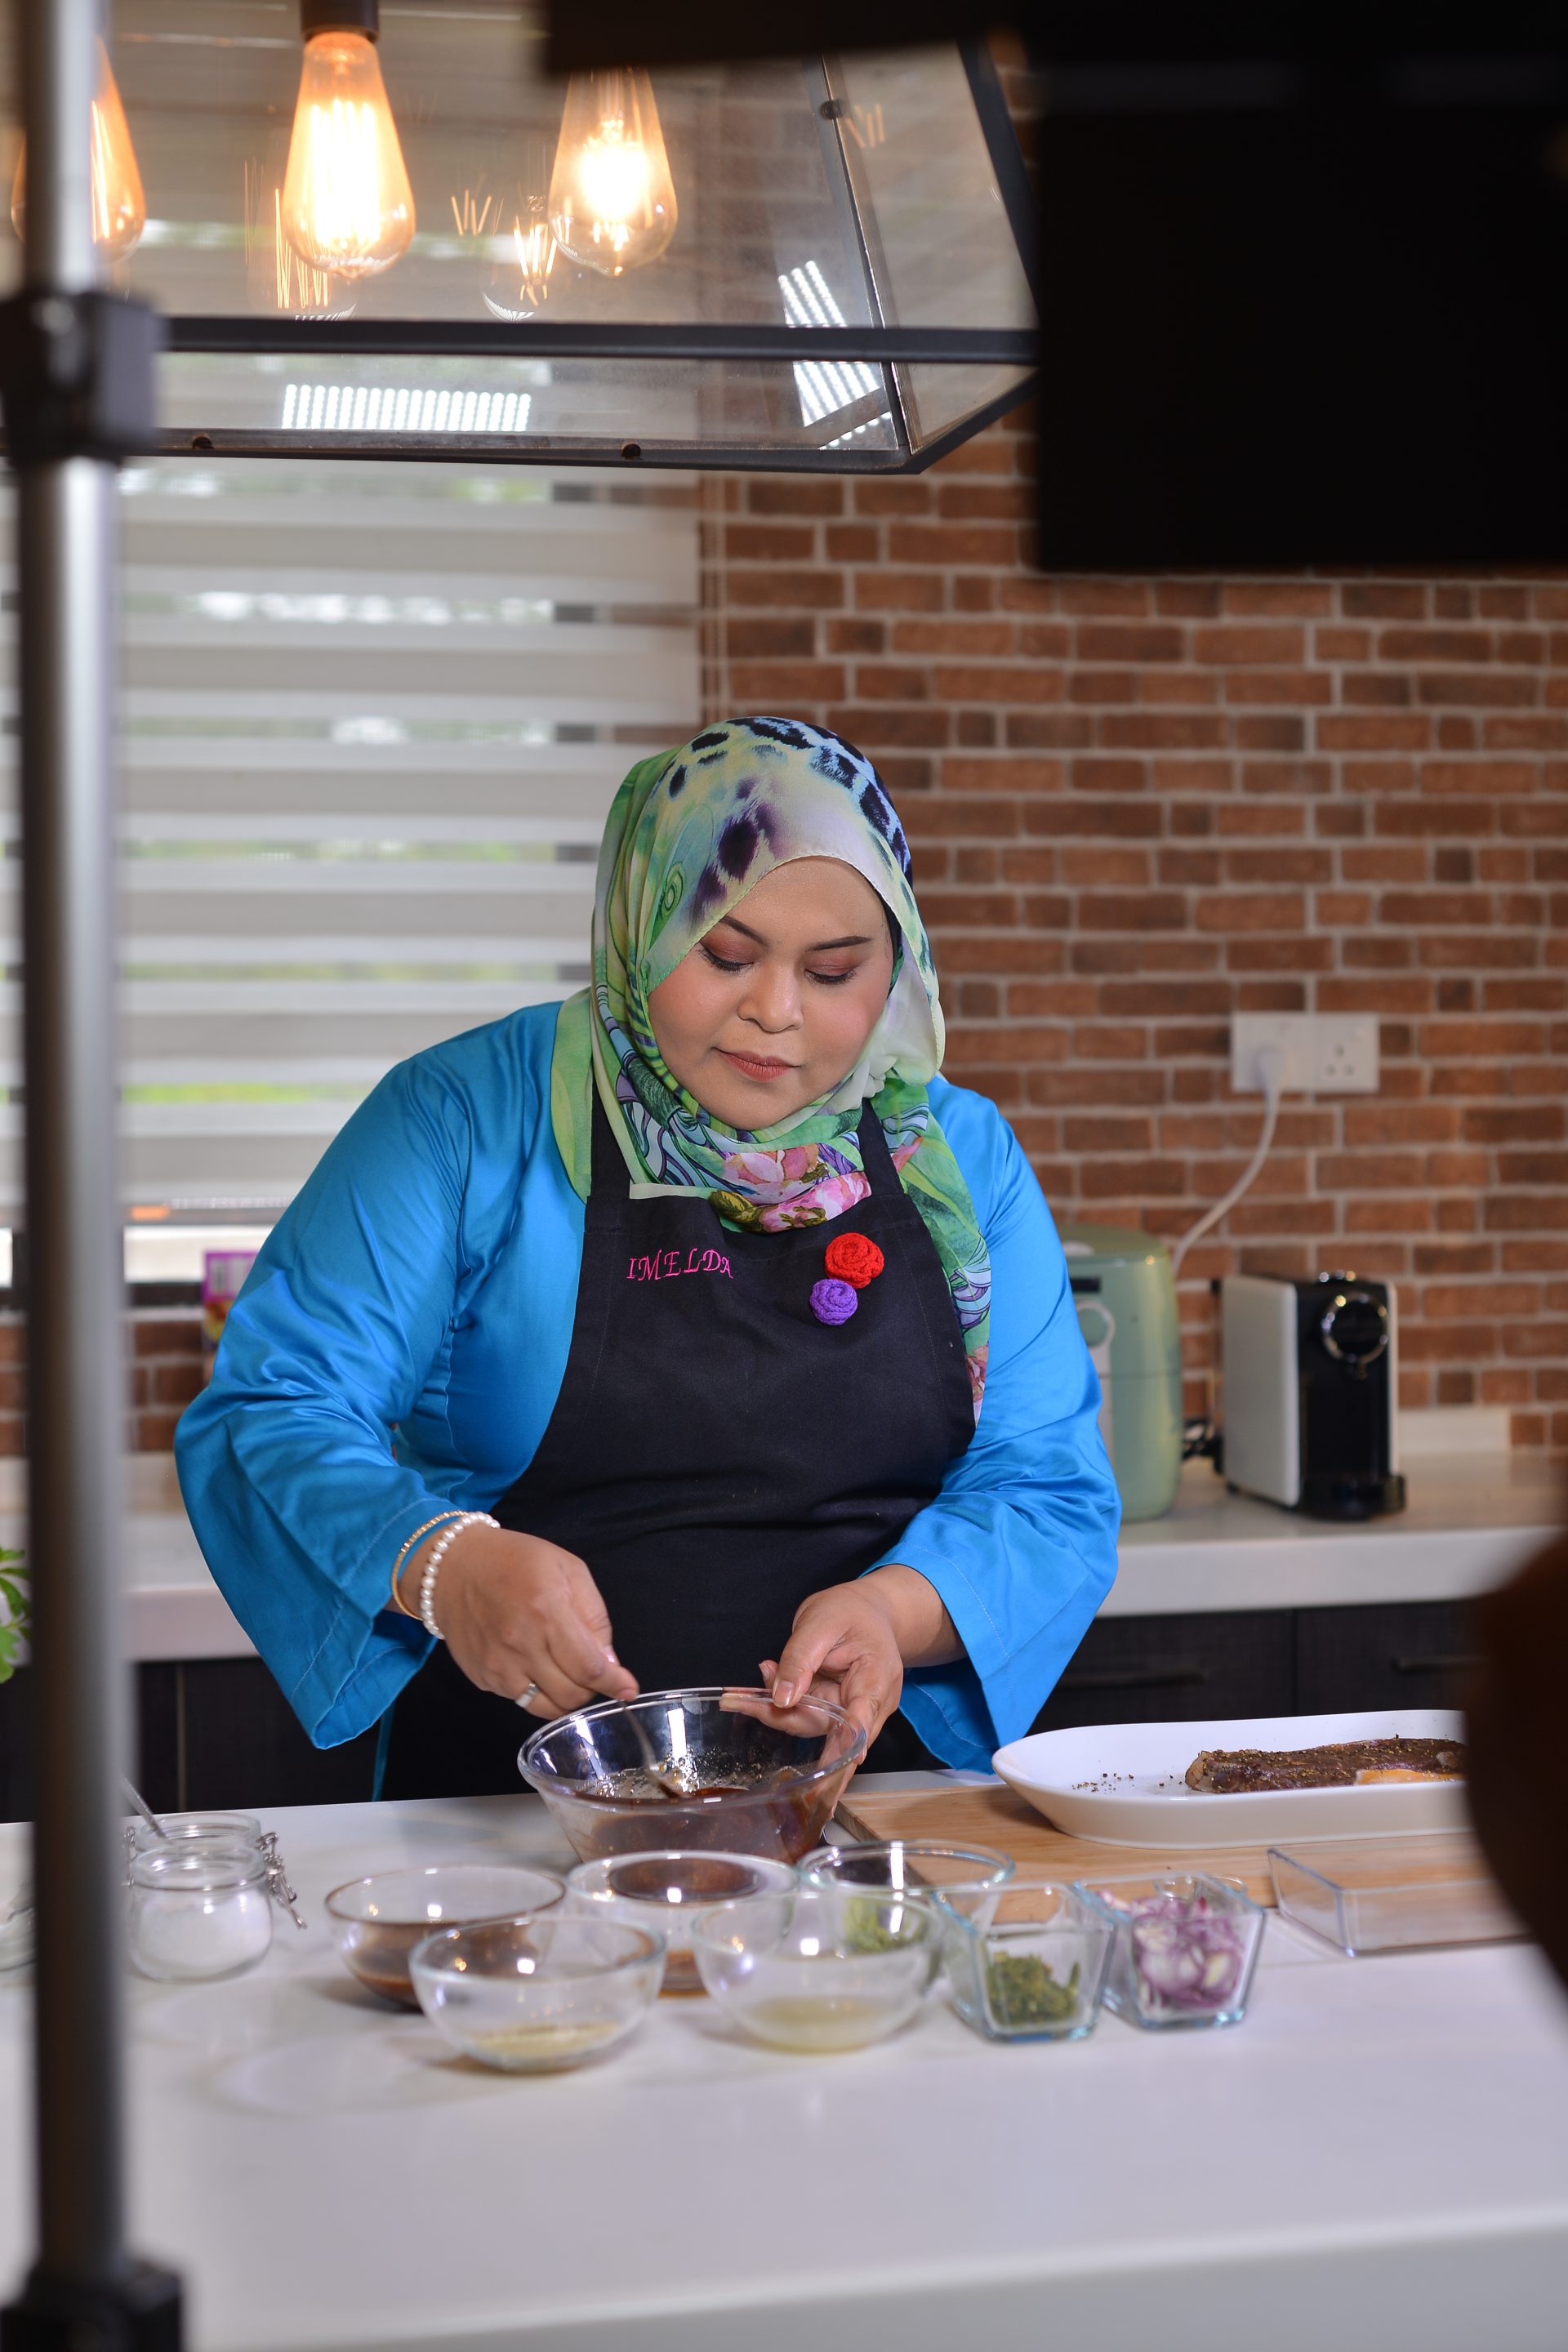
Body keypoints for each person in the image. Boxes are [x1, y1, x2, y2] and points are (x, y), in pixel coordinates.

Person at [176, 718, 1120, 1796]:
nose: (775, 1011)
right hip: (507, 1815)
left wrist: (894, 1611)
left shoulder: (957, 1156)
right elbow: (276, 1408)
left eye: (834, 970)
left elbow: (1045, 1487)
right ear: (640, 916)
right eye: (725, 953)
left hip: (866, 1810)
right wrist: (447, 1565)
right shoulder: (463, 1120)